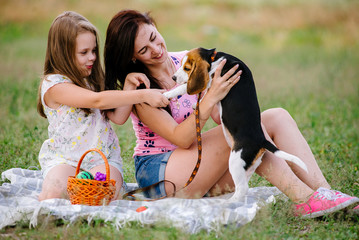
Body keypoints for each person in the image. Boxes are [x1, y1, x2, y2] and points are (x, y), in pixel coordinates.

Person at [104, 9, 359, 218]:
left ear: (156, 26)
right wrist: (211, 96)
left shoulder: (188, 61)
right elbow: (182, 139)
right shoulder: (142, 88)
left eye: (153, 37)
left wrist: (222, 92)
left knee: (275, 117)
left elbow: (219, 117)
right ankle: (305, 200)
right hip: (162, 172)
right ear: (133, 58)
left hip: (200, 169)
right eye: (143, 50)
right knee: (246, 138)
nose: (155, 49)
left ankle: (327, 195)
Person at [37, 11, 169, 201]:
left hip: (102, 158)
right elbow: (96, 100)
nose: (92, 57)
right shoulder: (54, 85)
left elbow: (118, 118)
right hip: (65, 159)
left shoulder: (91, 81)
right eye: (84, 53)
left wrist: (129, 87)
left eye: (93, 51)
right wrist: (143, 94)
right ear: (63, 53)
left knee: (106, 194)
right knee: (55, 193)